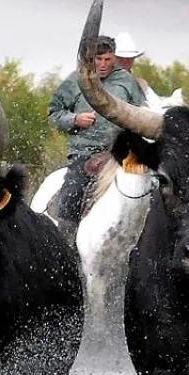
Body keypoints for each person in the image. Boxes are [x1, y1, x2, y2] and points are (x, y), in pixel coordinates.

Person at [46, 34, 151, 240]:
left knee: (149, 186)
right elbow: (54, 112)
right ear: (90, 58)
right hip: (86, 155)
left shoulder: (127, 82)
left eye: (107, 59)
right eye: (98, 59)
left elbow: (143, 112)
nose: (103, 64)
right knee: (72, 192)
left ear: (115, 58)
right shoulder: (75, 81)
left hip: (123, 154)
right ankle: (67, 243)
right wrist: (74, 119)